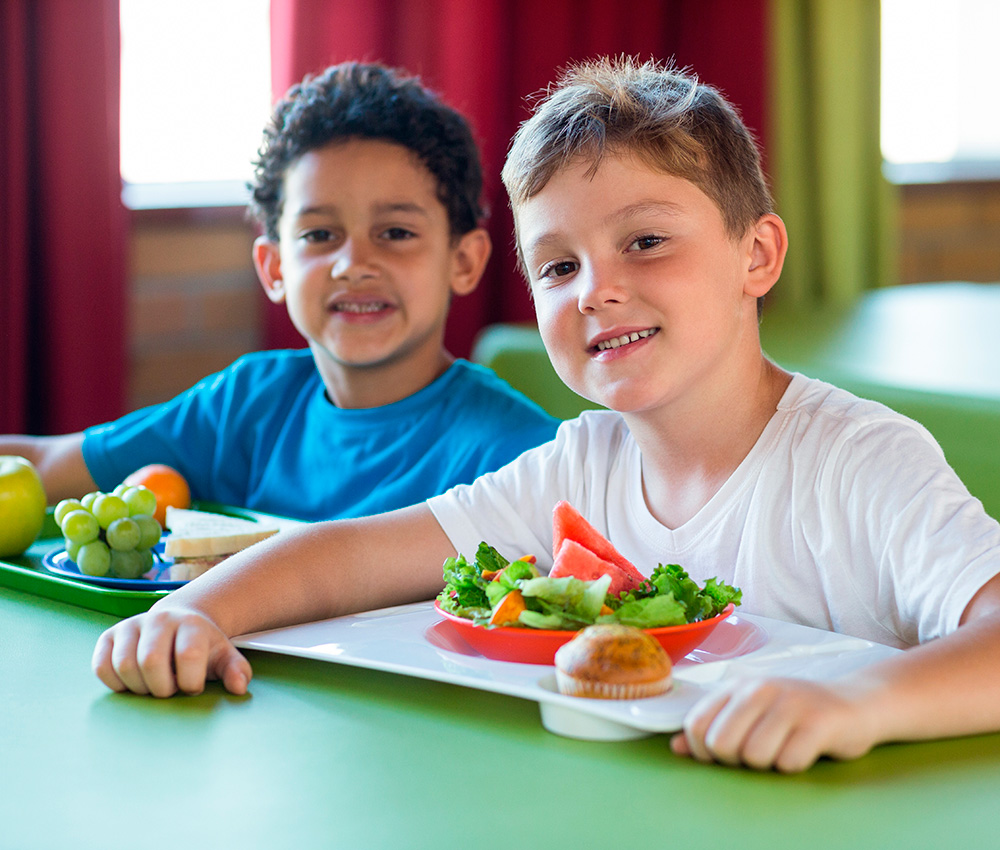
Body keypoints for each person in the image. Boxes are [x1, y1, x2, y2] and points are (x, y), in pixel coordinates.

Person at [92, 57, 1000, 773]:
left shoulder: (858, 459)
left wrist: (861, 704)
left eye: (645, 242)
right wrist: (198, 613)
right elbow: (356, 555)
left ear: (756, 254)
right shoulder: (582, 462)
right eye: (559, 268)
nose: (599, 292)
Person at [1, 62, 558, 521]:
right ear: (273, 268)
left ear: (464, 261)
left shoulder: (525, 455)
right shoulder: (245, 404)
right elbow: (47, 467)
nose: (353, 264)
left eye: (395, 233)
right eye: (319, 234)